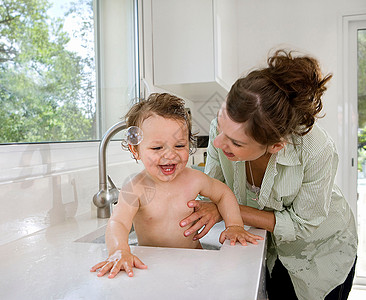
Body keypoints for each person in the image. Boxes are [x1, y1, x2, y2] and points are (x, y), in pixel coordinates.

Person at [179, 50, 358, 300]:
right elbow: (214, 188)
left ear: (276, 146)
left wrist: (226, 208)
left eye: (236, 143)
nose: (218, 143)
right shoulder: (225, 131)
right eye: (220, 126)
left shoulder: (316, 149)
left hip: (320, 252)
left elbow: (303, 224)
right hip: (269, 249)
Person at [90, 93, 263, 279]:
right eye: (157, 148)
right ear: (136, 150)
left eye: (179, 146)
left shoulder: (194, 179)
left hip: (194, 260)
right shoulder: (136, 186)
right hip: (153, 265)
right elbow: (119, 222)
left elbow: (223, 194)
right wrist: (119, 250)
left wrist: (235, 225)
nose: (170, 155)